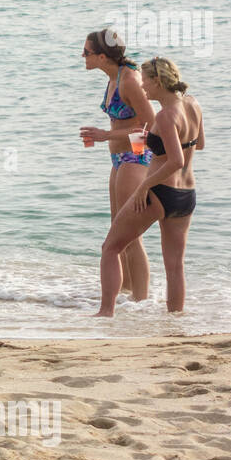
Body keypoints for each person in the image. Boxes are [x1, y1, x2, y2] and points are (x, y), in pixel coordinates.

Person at [94, 57, 204, 317]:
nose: (142, 88)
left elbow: (174, 161)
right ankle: (174, 320)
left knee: (111, 247)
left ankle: (105, 312)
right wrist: (156, 138)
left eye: (145, 82)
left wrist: (145, 185)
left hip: (160, 191)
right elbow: (197, 144)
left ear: (158, 81)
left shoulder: (166, 115)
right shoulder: (192, 104)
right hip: (186, 195)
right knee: (175, 266)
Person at [79, 28, 152, 301]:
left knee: (130, 235)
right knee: (118, 232)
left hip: (136, 157)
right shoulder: (113, 78)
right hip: (118, 159)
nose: (82, 56)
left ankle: (141, 301)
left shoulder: (129, 80)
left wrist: (106, 135)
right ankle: (125, 294)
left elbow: (150, 126)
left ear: (102, 56)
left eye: (86, 52)